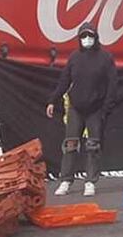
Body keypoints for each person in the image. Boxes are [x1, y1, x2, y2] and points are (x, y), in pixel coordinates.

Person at [46, 22, 118, 198]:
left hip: (96, 108)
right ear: (79, 38)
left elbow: (112, 85)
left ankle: (90, 181)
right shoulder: (75, 57)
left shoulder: (105, 58)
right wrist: (52, 100)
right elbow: (64, 81)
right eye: (83, 36)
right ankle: (66, 180)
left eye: (90, 35)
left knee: (93, 146)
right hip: (76, 107)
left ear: (96, 37)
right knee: (70, 144)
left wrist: (105, 109)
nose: (87, 39)